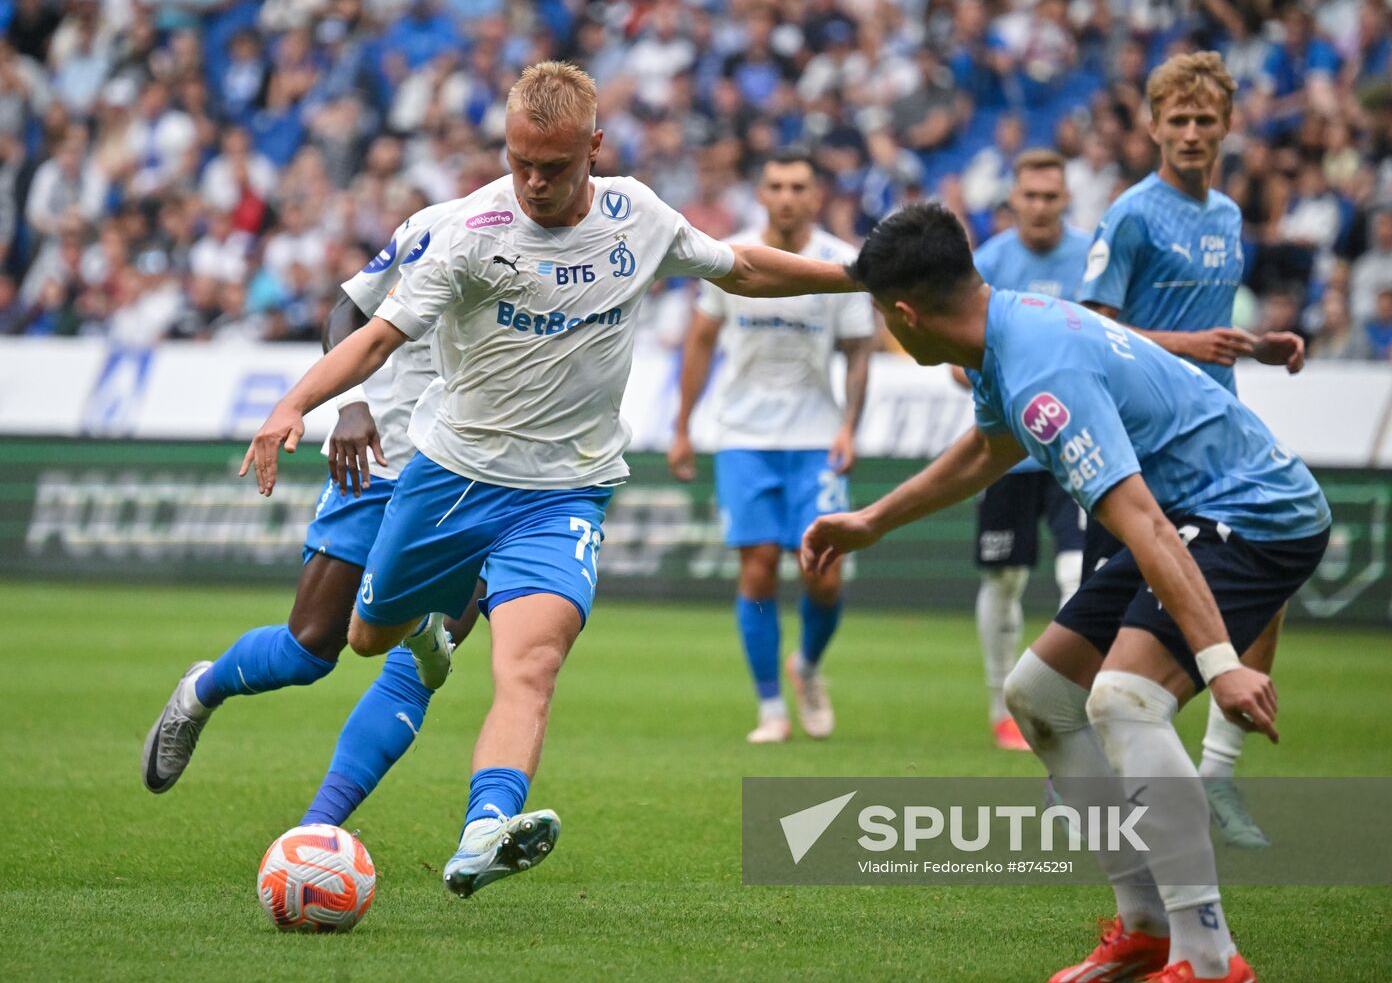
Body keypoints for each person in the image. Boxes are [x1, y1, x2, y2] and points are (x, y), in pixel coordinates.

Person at [240, 62, 860, 898]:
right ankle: (422, 631)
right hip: (452, 477)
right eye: (519, 160)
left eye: (555, 165)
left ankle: (485, 830)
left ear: (594, 148)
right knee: (365, 638)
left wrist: (861, 275)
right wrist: (295, 406)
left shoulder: (637, 216)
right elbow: (377, 336)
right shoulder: (470, 232)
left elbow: (739, 269)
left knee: (530, 666)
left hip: (567, 490)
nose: (533, 181)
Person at [803, 202, 1329, 983]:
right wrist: (874, 521)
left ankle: (1211, 957)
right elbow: (990, 447)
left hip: (1255, 518)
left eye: (882, 317)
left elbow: (1143, 526)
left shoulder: (1042, 368)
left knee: (1124, 700)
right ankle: (1147, 926)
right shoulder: (1007, 331)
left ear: (903, 315)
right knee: (1042, 694)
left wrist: (1220, 665)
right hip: (1194, 516)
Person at [142, 197, 486, 827]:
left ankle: (314, 834)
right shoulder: (445, 223)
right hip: (381, 458)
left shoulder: (589, 249)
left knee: (421, 661)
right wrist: (349, 403)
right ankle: (201, 689)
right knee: (311, 648)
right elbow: (348, 308)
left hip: (480, 479)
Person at [1077, 52, 1304, 845]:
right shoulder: (1132, 214)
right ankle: (1091, 792)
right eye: (1178, 119)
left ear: (1227, 126)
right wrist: (1190, 342)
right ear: (1153, 126)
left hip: (1215, 442)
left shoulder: (1227, 215)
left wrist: (1259, 348)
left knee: (1267, 589)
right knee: (1102, 633)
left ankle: (1217, 778)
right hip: (1137, 446)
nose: (1192, 132)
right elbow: (1091, 331)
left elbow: (1214, 341)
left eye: (1206, 119)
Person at [666, 148, 874, 744]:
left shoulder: (843, 263)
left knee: (823, 573)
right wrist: (683, 426)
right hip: (744, 437)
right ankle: (770, 708)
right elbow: (701, 341)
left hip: (816, 437)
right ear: (762, 193)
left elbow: (859, 351)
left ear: (816, 195)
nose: (787, 195)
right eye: (776, 185)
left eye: (798, 186)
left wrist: (849, 426)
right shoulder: (729, 257)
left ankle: (806, 667)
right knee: (757, 571)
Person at [955, 149, 1090, 751]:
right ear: (1013, 202)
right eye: (1029, 196)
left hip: (1080, 444)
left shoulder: (1093, 258)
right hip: (1009, 448)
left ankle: (1062, 700)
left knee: (1077, 574)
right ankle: (999, 705)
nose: (1039, 206)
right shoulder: (987, 263)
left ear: (1066, 200)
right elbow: (959, 359)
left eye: (1050, 196)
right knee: (1005, 578)